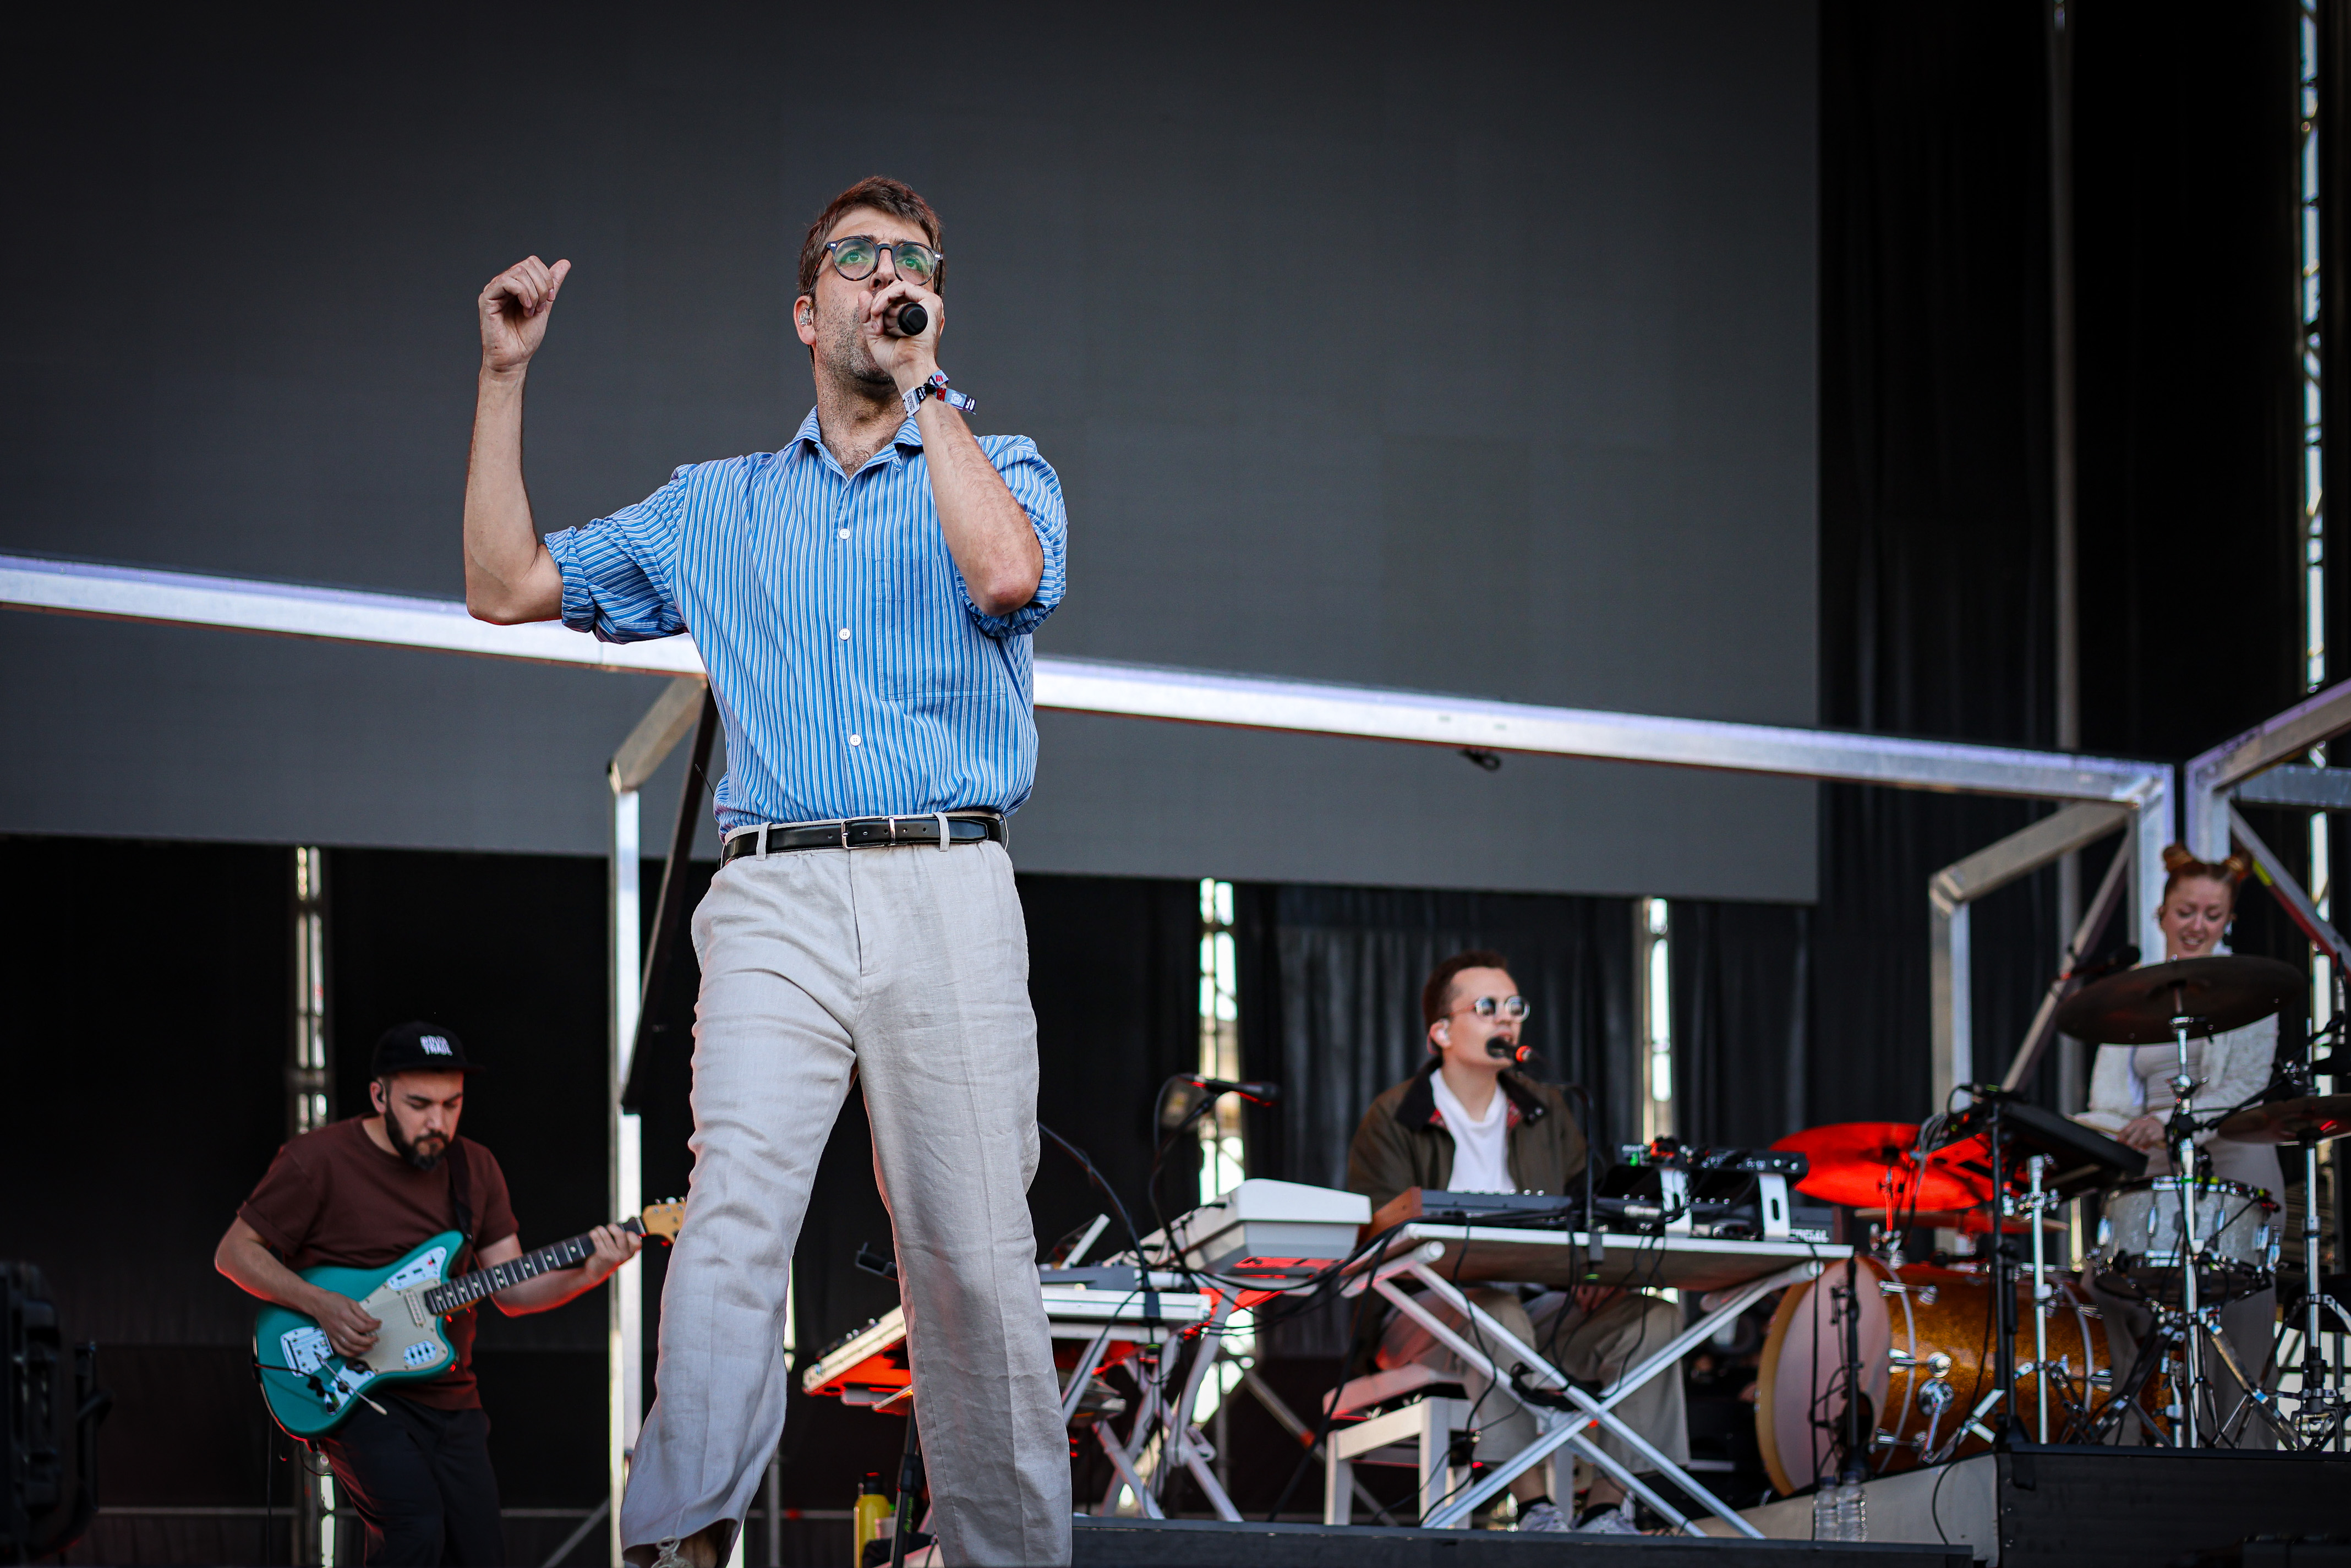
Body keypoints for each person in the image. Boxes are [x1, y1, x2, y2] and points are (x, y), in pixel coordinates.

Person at [459, 176, 1070, 1567]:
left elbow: (1002, 579)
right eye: (858, 260)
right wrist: (504, 378)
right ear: (807, 312)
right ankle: (687, 1539)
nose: (887, 276)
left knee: (973, 1259)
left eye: (914, 263)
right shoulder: (714, 509)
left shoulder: (998, 459)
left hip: (948, 877)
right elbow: (503, 586)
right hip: (777, 886)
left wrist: (931, 393)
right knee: (733, 1216)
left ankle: (1006, 1556)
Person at [216, 1023, 643, 1566]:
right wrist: (320, 1303)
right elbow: (234, 1252)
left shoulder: (475, 1168)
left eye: (451, 1103)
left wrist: (590, 1273)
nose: (436, 1122)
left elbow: (509, 1288)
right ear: (379, 1095)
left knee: (480, 1550)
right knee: (414, 1528)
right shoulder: (316, 1160)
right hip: (354, 1386)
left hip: (448, 1394)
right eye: (419, 1104)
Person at [1346, 951, 1687, 1533]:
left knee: (1653, 1317)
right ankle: (1534, 1506)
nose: (1506, 1019)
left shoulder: (1546, 1107)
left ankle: (1607, 1505)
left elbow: (1590, 1204)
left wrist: (1597, 1270)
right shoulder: (1394, 1116)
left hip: (1538, 1311)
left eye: (1514, 1007)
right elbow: (1379, 1235)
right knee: (1494, 1308)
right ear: (1442, 1031)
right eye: (1486, 1007)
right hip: (1422, 1315)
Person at [2076, 844, 2282, 1443]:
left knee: (2236, 1334)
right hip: (2157, 1168)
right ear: (2161, 912)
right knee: (2103, 1287)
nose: (2197, 925)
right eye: (2186, 910)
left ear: (2228, 921)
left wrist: (2169, 1117)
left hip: (2233, 1159)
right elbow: (2112, 1102)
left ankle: (2245, 1482)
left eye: (2212, 915)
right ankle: (2129, 1444)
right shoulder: (2130, 993)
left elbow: (2244, 1088)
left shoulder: (2251, 989)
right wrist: (2082, 1127)